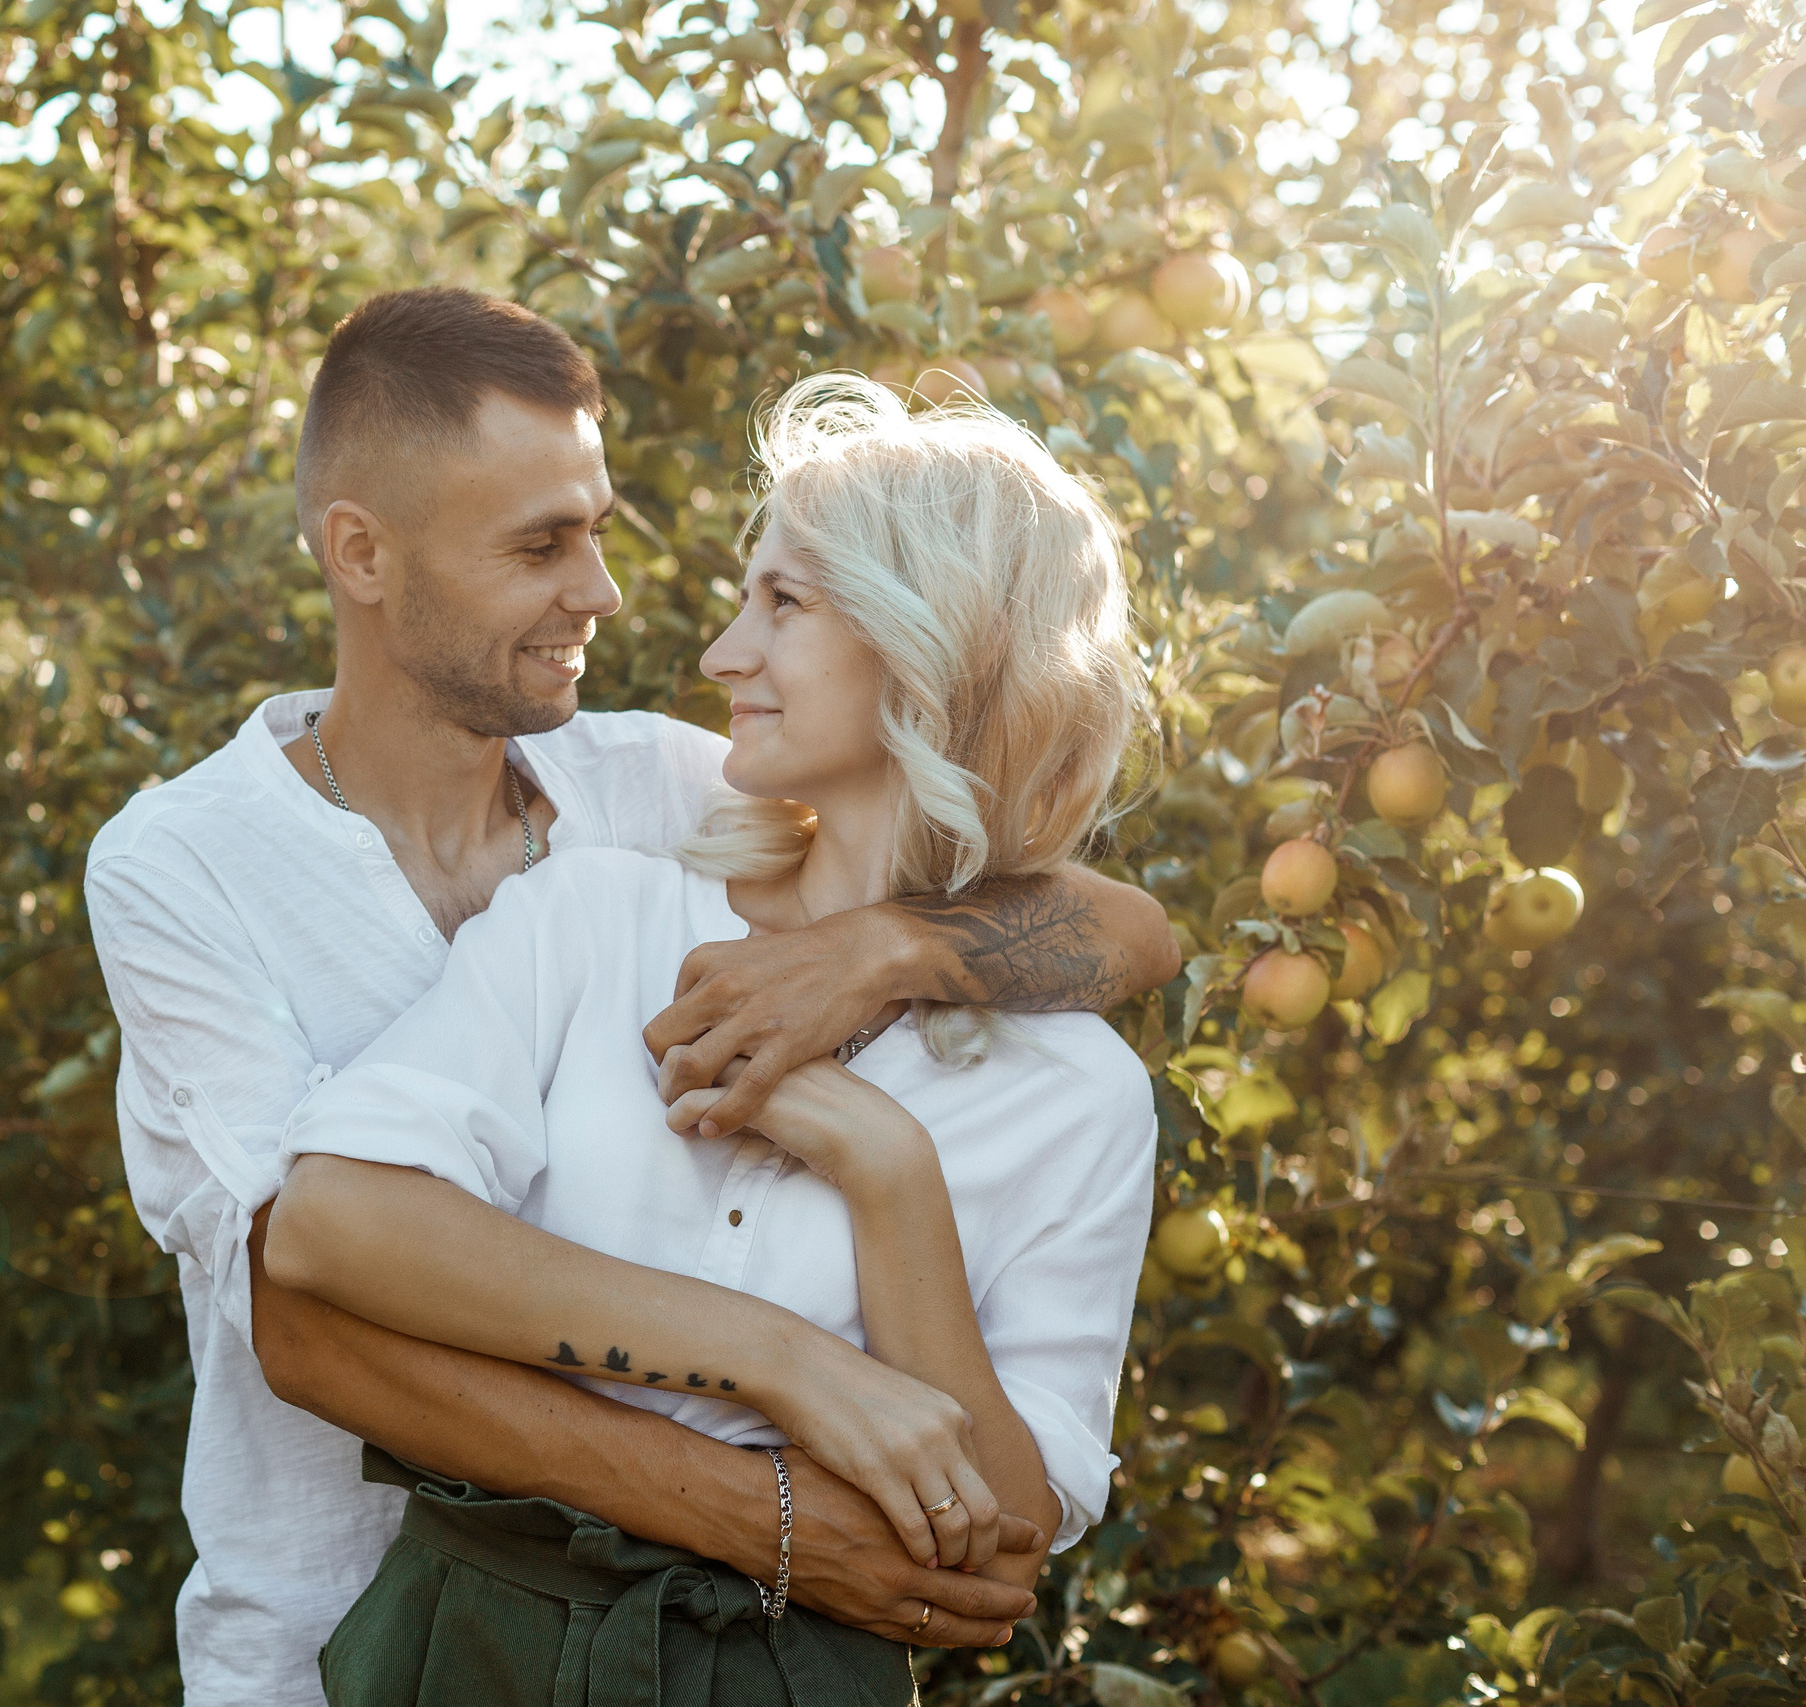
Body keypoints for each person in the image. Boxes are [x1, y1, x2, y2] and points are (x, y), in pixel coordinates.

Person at [82, 289, 1178, 1707]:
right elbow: (303, 1306)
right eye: (541, 544)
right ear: (362, 552)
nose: (604, 592)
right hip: (341, 1639)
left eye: (596, 529)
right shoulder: (188, 866)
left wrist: (882, 971)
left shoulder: (647, 794)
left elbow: (1123, 926)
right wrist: (777, 1442)